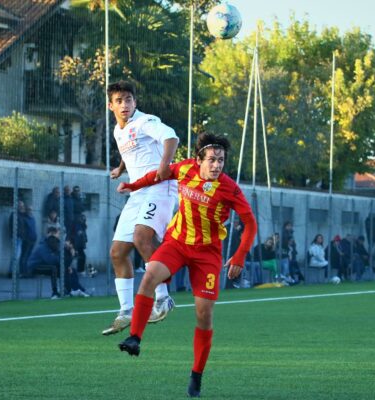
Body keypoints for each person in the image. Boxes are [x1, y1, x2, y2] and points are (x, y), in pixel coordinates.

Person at [117, 133, 257, 398]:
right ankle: (135, 337)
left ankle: (196, 375)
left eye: (221, 161)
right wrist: (133, 186)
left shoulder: (230, 188)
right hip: (178, 243)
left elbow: (250, 223)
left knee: (204, 314)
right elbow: (159, 175)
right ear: (199, 160)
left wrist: (239, 256)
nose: (217, 165)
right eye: (212, 160)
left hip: (208, 254)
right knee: (149, 277)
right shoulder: (184, 169)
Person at [104, 80, 179, 335]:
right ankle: (126, 311)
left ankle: (162, 298)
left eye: (128, 99)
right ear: (110, 105)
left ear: (135, 102)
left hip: (160, 188)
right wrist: (120, 168)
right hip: (137, 192)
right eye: (119, 100)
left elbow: (171, 137)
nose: (124, 104)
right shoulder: (118, 130)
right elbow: (129, 150)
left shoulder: (146, 122)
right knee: (117, 252)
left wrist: (164, 165)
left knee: (141, 238)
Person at [27, 227, 89, 299]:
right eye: (58, 234)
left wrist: (70, 254)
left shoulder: (54, 243)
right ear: (52, 234)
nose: (59, 236)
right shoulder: (43, 246)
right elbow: (51, 260)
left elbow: (60, 259)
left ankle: (71, 291)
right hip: (35, 266)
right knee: (54, 269)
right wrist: (63, 255)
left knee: (69, 270)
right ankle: (55, 293)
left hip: (47, 265)